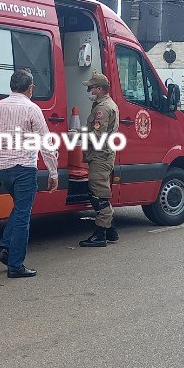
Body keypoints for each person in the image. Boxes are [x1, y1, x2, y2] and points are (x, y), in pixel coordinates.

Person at [0, 69, 58, 278]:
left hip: (5, 170)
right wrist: (53, 172)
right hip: (25, 169)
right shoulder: (32, 109)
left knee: (19, 209)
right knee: (23, 216)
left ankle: (6, 248)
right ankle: (15, 265)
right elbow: (46, 143)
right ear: (30, 88)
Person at [79, 73, 120, 248]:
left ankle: (100, 234)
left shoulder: (102, 109)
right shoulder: (103, 105)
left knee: (99, 194)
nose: (89, 91)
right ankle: (110, 229)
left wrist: (78, 137)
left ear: (100, 89)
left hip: (100, 155)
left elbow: (97, 134)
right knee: (96, 190)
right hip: (102, 154)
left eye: (91, 88)